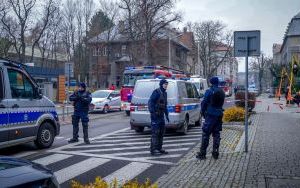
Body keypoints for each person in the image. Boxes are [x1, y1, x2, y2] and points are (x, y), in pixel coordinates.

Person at [196, 77, 225, 160]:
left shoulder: (209, 91)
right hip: (219, 114)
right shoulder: (221, 91)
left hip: (211, 115)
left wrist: (203, 112)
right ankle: (215, 152)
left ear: (211, 83)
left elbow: (204, 103)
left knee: (206, 133)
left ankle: (202, 153)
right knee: (216, 133)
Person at [148, 79, 170, 156]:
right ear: (161, 84)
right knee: (155, 132)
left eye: (167, 84)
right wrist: (152, 112)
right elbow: (150, 102)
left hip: (161, 116)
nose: (166, 85)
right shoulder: (156, 92)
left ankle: (159, 148)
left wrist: (167, 115)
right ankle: (153, 150)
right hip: (155, 116)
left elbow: (165, 105)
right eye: (165, 84)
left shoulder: (165, 93)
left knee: (161, 132)